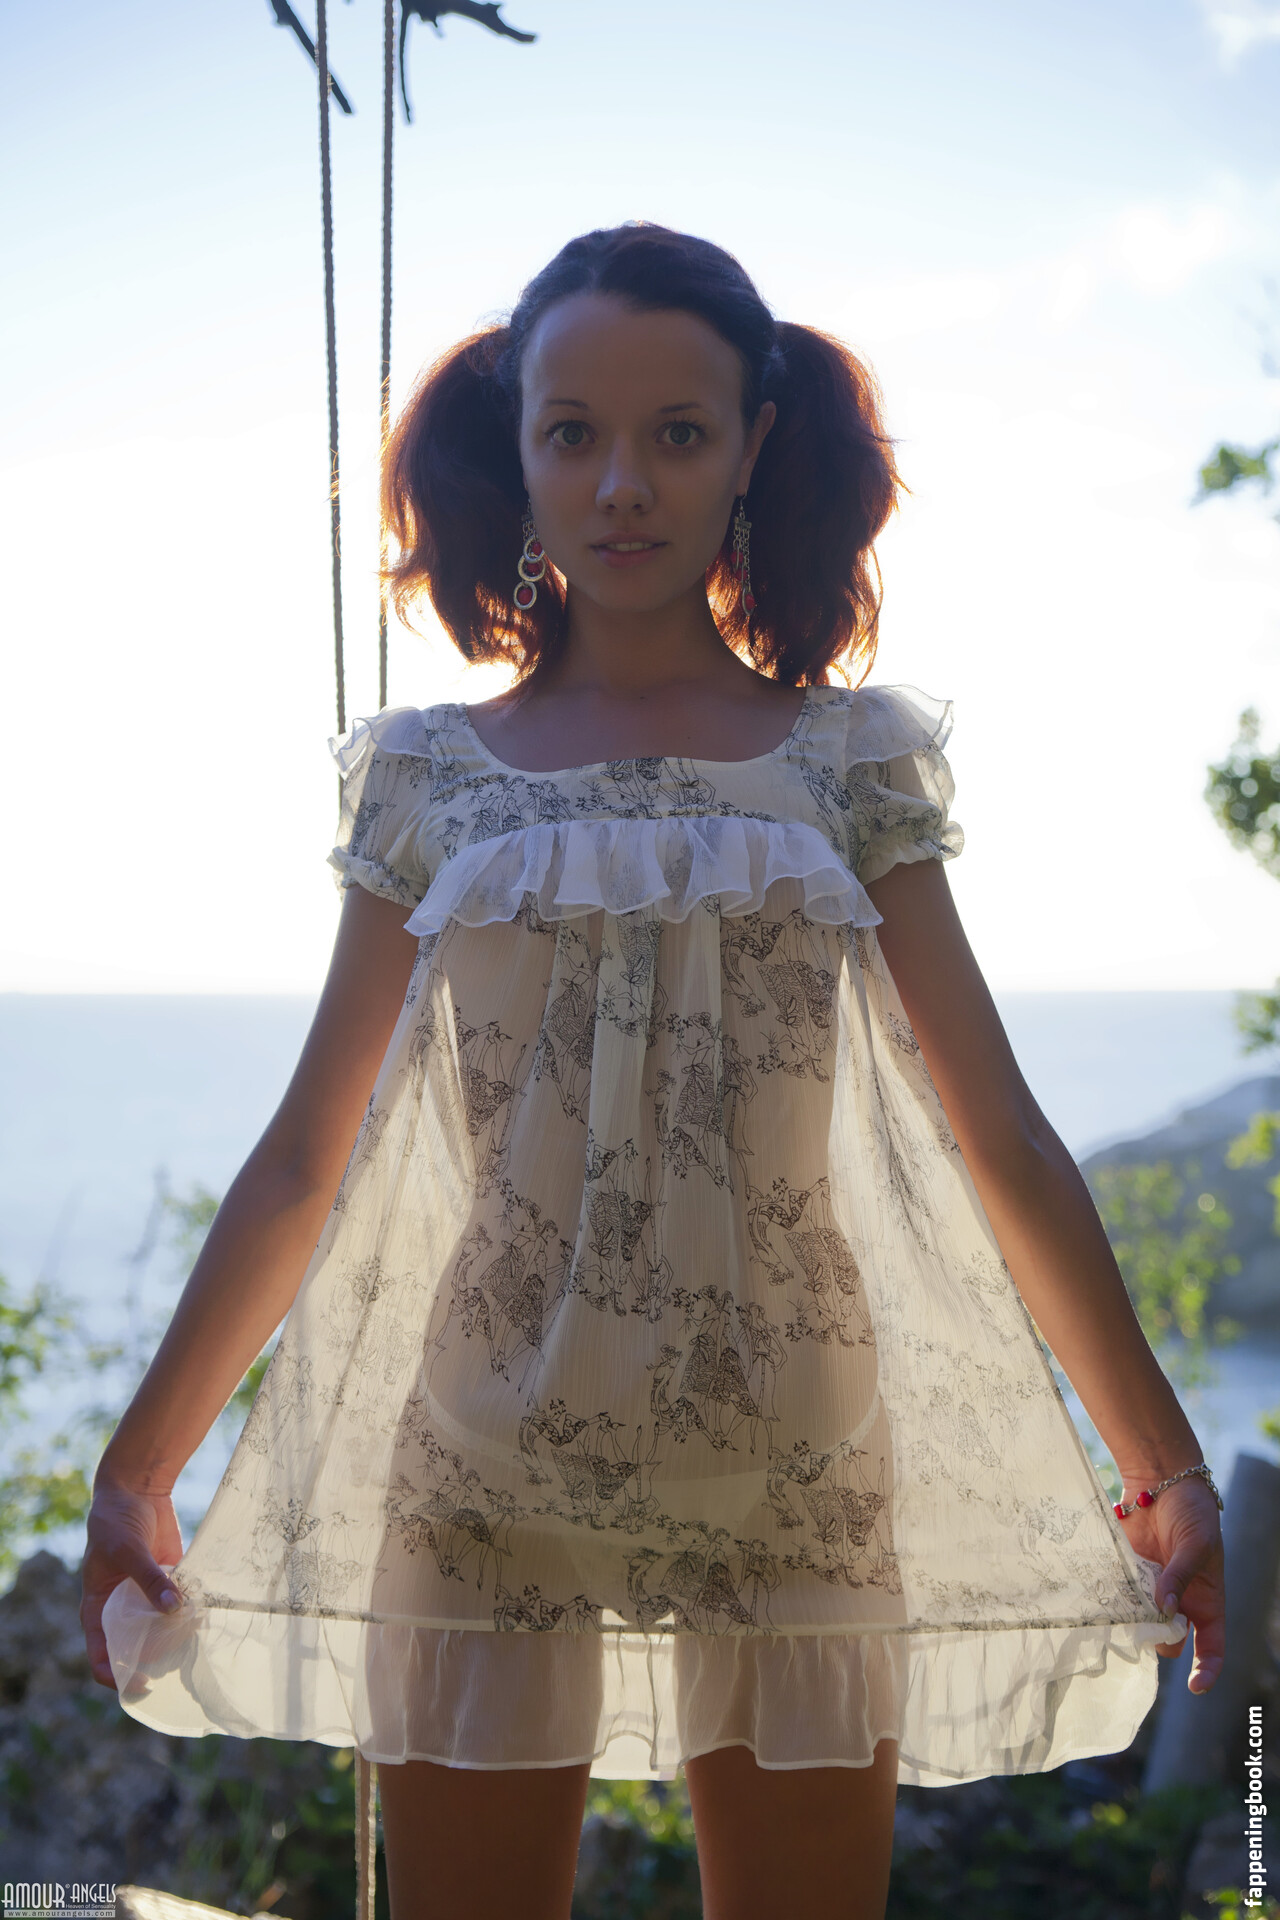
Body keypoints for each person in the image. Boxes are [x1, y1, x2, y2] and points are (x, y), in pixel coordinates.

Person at [81, 223, 1226, 1920]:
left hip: (797, 1454)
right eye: (574, 433)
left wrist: (1166, 1466)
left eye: (677, 433)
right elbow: (305, 1158)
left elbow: (1001, 1136)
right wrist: (137, 1469)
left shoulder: (848, 763)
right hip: (480, 1454)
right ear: (519, 452)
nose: (622, 483)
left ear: (753, 446)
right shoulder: (427, 781)